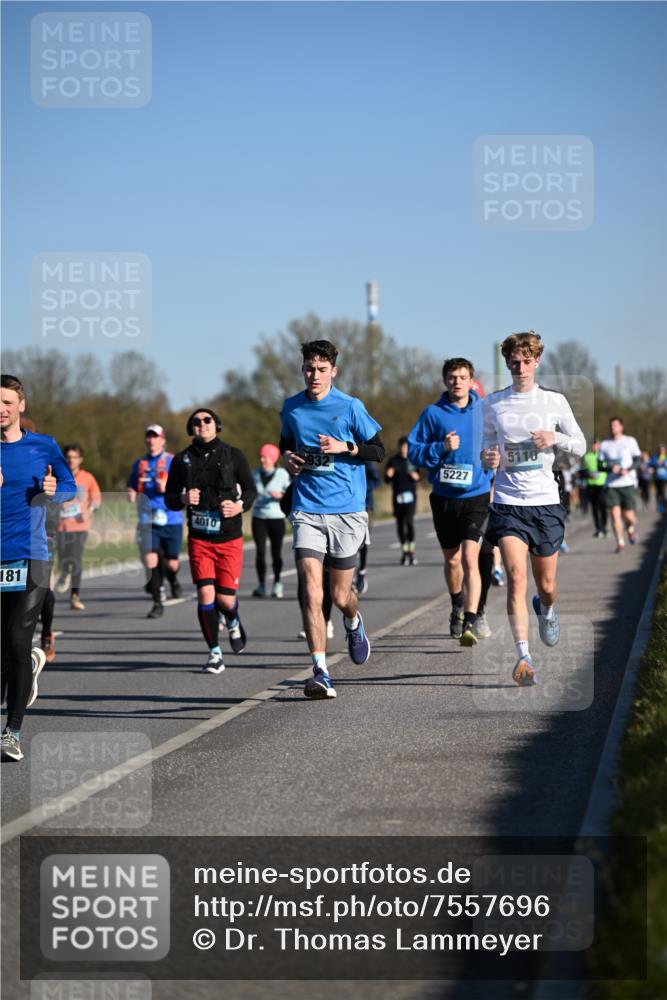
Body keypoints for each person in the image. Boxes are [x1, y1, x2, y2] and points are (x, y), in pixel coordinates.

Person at [280, 339, 385, 699]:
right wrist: (288, 460)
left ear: (333, 372)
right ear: (303, 369)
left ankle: (353, 622)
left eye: (322, 369)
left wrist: (346, 447)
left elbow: (379, 450)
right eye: (309, 368)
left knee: (341, 595)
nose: (315, 375)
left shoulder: (350, 407)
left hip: (347, 511)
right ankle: (321, 671)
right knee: (311, 589)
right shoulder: (291, 408)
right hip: (307, 509)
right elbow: (285, 444)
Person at [482, 332, 586, 686]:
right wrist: (489, 457)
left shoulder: (554, 402)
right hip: (509, 503)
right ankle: (523, 655)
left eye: (526, 360)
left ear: (537, 362)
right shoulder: (493, 404)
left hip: (545, 503)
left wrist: (553, 438)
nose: (520, 366)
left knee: (547, 585)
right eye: (514, 360)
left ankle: (547, 607)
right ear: (508, 362)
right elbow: (484, 452)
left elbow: (581, 446)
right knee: (516, 578)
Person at [1, 374, 76, 761]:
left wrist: (54, 491)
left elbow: (69, 486)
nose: (0, 409)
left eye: (7, 403)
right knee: (4, 647)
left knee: (16, 636)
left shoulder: (42, 446)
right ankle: (27, 666)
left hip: (30, 553)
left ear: (20, 406)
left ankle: (11, 732)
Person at [408, 357, 494, 645]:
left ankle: (471, 619)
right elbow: (414, 452)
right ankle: (457, 604)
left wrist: (495, 460)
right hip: (444, 497)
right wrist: (440, 447)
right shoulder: (432, 414)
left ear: (471, 381)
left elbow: (500, 444)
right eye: (452, 377)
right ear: (445, 381)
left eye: (462, 377)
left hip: (476, 495)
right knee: (452, 560)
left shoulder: (485, 411)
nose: (457, 381)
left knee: (471, 557)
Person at [165, 407, 257, 673]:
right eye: (196, 422)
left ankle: (233, 621)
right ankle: (214, 653)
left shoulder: (234, 455)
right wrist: (182, 499)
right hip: (199, 538)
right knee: (205, 594)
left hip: (229, 537)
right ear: (191, 428)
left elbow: (251, 490)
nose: (202, 424)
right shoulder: (182, 459)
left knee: (225, 600)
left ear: (217, 425)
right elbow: (169, 497)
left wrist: (240, 506)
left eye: (207, 420)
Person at [128, 424, 185, 618]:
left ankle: (173, 580)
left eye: (155, 437)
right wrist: (131, 493)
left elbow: (183, 487)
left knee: (171, 564)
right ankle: (157, 601)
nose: (151, 440)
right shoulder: (140, 463)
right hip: (148, 519)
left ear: (162, 440)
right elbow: (132, 485)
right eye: (148, 437)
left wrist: (167, 486)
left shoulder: (173, 461)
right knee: (151, 560)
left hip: (171, 518)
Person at [55, 443, 102, 610]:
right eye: (68, 457)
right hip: (60, 526)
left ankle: (75, 595)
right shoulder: (57, 476)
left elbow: (96, 499)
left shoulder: (87, 478)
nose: (71, 460)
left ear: (80, 459)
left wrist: (89, 511)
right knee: (63, 560)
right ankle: (64, 572)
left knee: (75, 559)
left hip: (80, 525)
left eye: (74, 457)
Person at [251, 444, 291, 598]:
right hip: (259, 517)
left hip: (276, 518)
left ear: (273, 459)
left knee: (276, 552)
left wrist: (280, 495)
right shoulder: (254, 474)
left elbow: (289, 493)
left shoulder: (282, 474)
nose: (262, 460)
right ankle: (261, 585)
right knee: (260, 552)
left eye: (265, 457)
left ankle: (277, 583)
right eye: (261, 457)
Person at [598, 417, 641, 553]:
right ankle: (620, 542)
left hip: (627, 483)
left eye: (616, 425)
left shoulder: (630, 441)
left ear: (621, 427)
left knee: (628, 516)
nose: (613, 427)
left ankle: (630, 528)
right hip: (611, 485)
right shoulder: (605, 444)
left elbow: (638, 459)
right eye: (611, 425)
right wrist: (611, 469)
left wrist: (627, 470)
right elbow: (600, 465)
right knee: (615, 516)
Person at [385, 437, 421, 566]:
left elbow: (419, 477)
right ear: (399, 447)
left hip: (410, 497)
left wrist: (415, 476)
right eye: (402, 447)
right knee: (400, 525)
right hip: (398, 497)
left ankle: (411, 551)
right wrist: (389, 475)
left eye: (406, 447)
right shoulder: (393, 461)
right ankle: (404, 552)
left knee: (409, 523)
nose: (403, 449)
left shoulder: (412, 460)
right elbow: (387, 480)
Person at [354, 460, 382, 594]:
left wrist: (361, 486)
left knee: (363, 541)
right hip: (348, 506)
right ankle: (349, 575)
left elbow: (377, 481)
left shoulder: (367, 462)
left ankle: (361, 572)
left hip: (366, 506)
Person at [580, 440, 608, 537]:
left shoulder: (604, 456)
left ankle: (604, 527)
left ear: (599, 446)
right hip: (591, 485)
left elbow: (608, 469)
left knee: (603, 506)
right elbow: (581, 471)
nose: (594, 447)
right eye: (593, 445)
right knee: (595, 508)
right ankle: (598, 528)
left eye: (596, 445)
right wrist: (588, 475)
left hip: (603, 485)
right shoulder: (587, 456)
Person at [649, 443, 667, 513]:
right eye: (660, 450)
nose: (661, 451)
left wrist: (664, 464)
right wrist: (656, 464)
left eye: (662, 450)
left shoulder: (665, 457)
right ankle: (660, 506)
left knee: (662, 491)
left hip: (664, 477)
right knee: (658, 492)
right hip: (656, 477)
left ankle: (664, 506)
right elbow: (650, 464)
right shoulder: (655, 457)